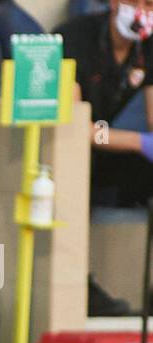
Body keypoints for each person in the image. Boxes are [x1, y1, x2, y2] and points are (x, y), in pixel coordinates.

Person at [58, 0, 153, 206]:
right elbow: (76, 127)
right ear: (113, 2)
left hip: (106, 134)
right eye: (132, 2)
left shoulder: (148, 46)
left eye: (149, 4)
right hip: (71, 141)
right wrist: (141, 142)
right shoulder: (75, 37)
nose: (140, 12)